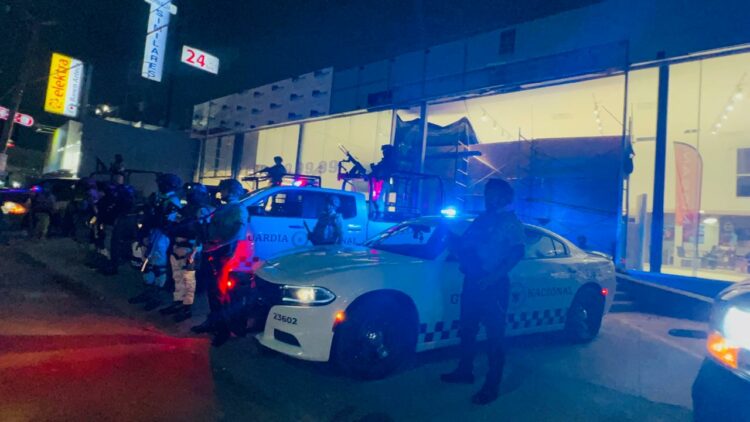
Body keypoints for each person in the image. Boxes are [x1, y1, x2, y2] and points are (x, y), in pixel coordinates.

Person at [441, 178, 525, 405]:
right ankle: (464, 371)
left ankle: (491, 386)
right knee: (467, 329)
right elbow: (466, 245)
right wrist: (450, 238)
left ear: (504, 197)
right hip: (473, 281)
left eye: (493, 193)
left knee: (495, 337)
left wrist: (492, 278)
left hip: (493, 285)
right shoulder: (481, 220)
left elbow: (516, 253)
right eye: (487, 192)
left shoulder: (510, 222)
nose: (488, 197)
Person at [191, 178, 248, 347]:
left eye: (223, 189)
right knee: (211, 291)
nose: (220, 192)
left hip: (222, 255)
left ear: (231, 191)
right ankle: (212, 322)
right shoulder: (224, 207)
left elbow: (238, 232)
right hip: (213, 253)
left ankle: (223, 330)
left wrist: (219, 244)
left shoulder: (238, 209)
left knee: (219, 293)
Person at [159, 183, 214, 322]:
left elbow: (203, 232)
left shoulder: (203, 210)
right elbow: (173, 224)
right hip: (177, 245)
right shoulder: (185, 209)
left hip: (191, 248)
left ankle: (187, 308)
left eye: (193, 193)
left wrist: (195, 250)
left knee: (189, 280)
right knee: (177, 277)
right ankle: (178, 302)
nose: (190, 196)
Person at [128, 173, 183, 311]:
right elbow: (147, 215)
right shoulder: (158, 197)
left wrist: (154, 217)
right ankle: (148, 292)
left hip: (162, 235)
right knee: (147, 264)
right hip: (152, 233)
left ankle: (156, 296)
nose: (159, 185)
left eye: (162, 183)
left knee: (159, 266)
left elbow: (167, 222)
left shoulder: (173, 201)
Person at [369, 145, 398, 218]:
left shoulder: (389, 162)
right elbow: (377, 170)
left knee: (378, 199)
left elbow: (383, 171)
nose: (383, 153)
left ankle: (378, 214)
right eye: (383, 151)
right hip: (379, 182)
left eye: (385, 151)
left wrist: (376, 171)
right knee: (375, 198)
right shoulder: (385, 162)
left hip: (383, 182)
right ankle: (376, 213)